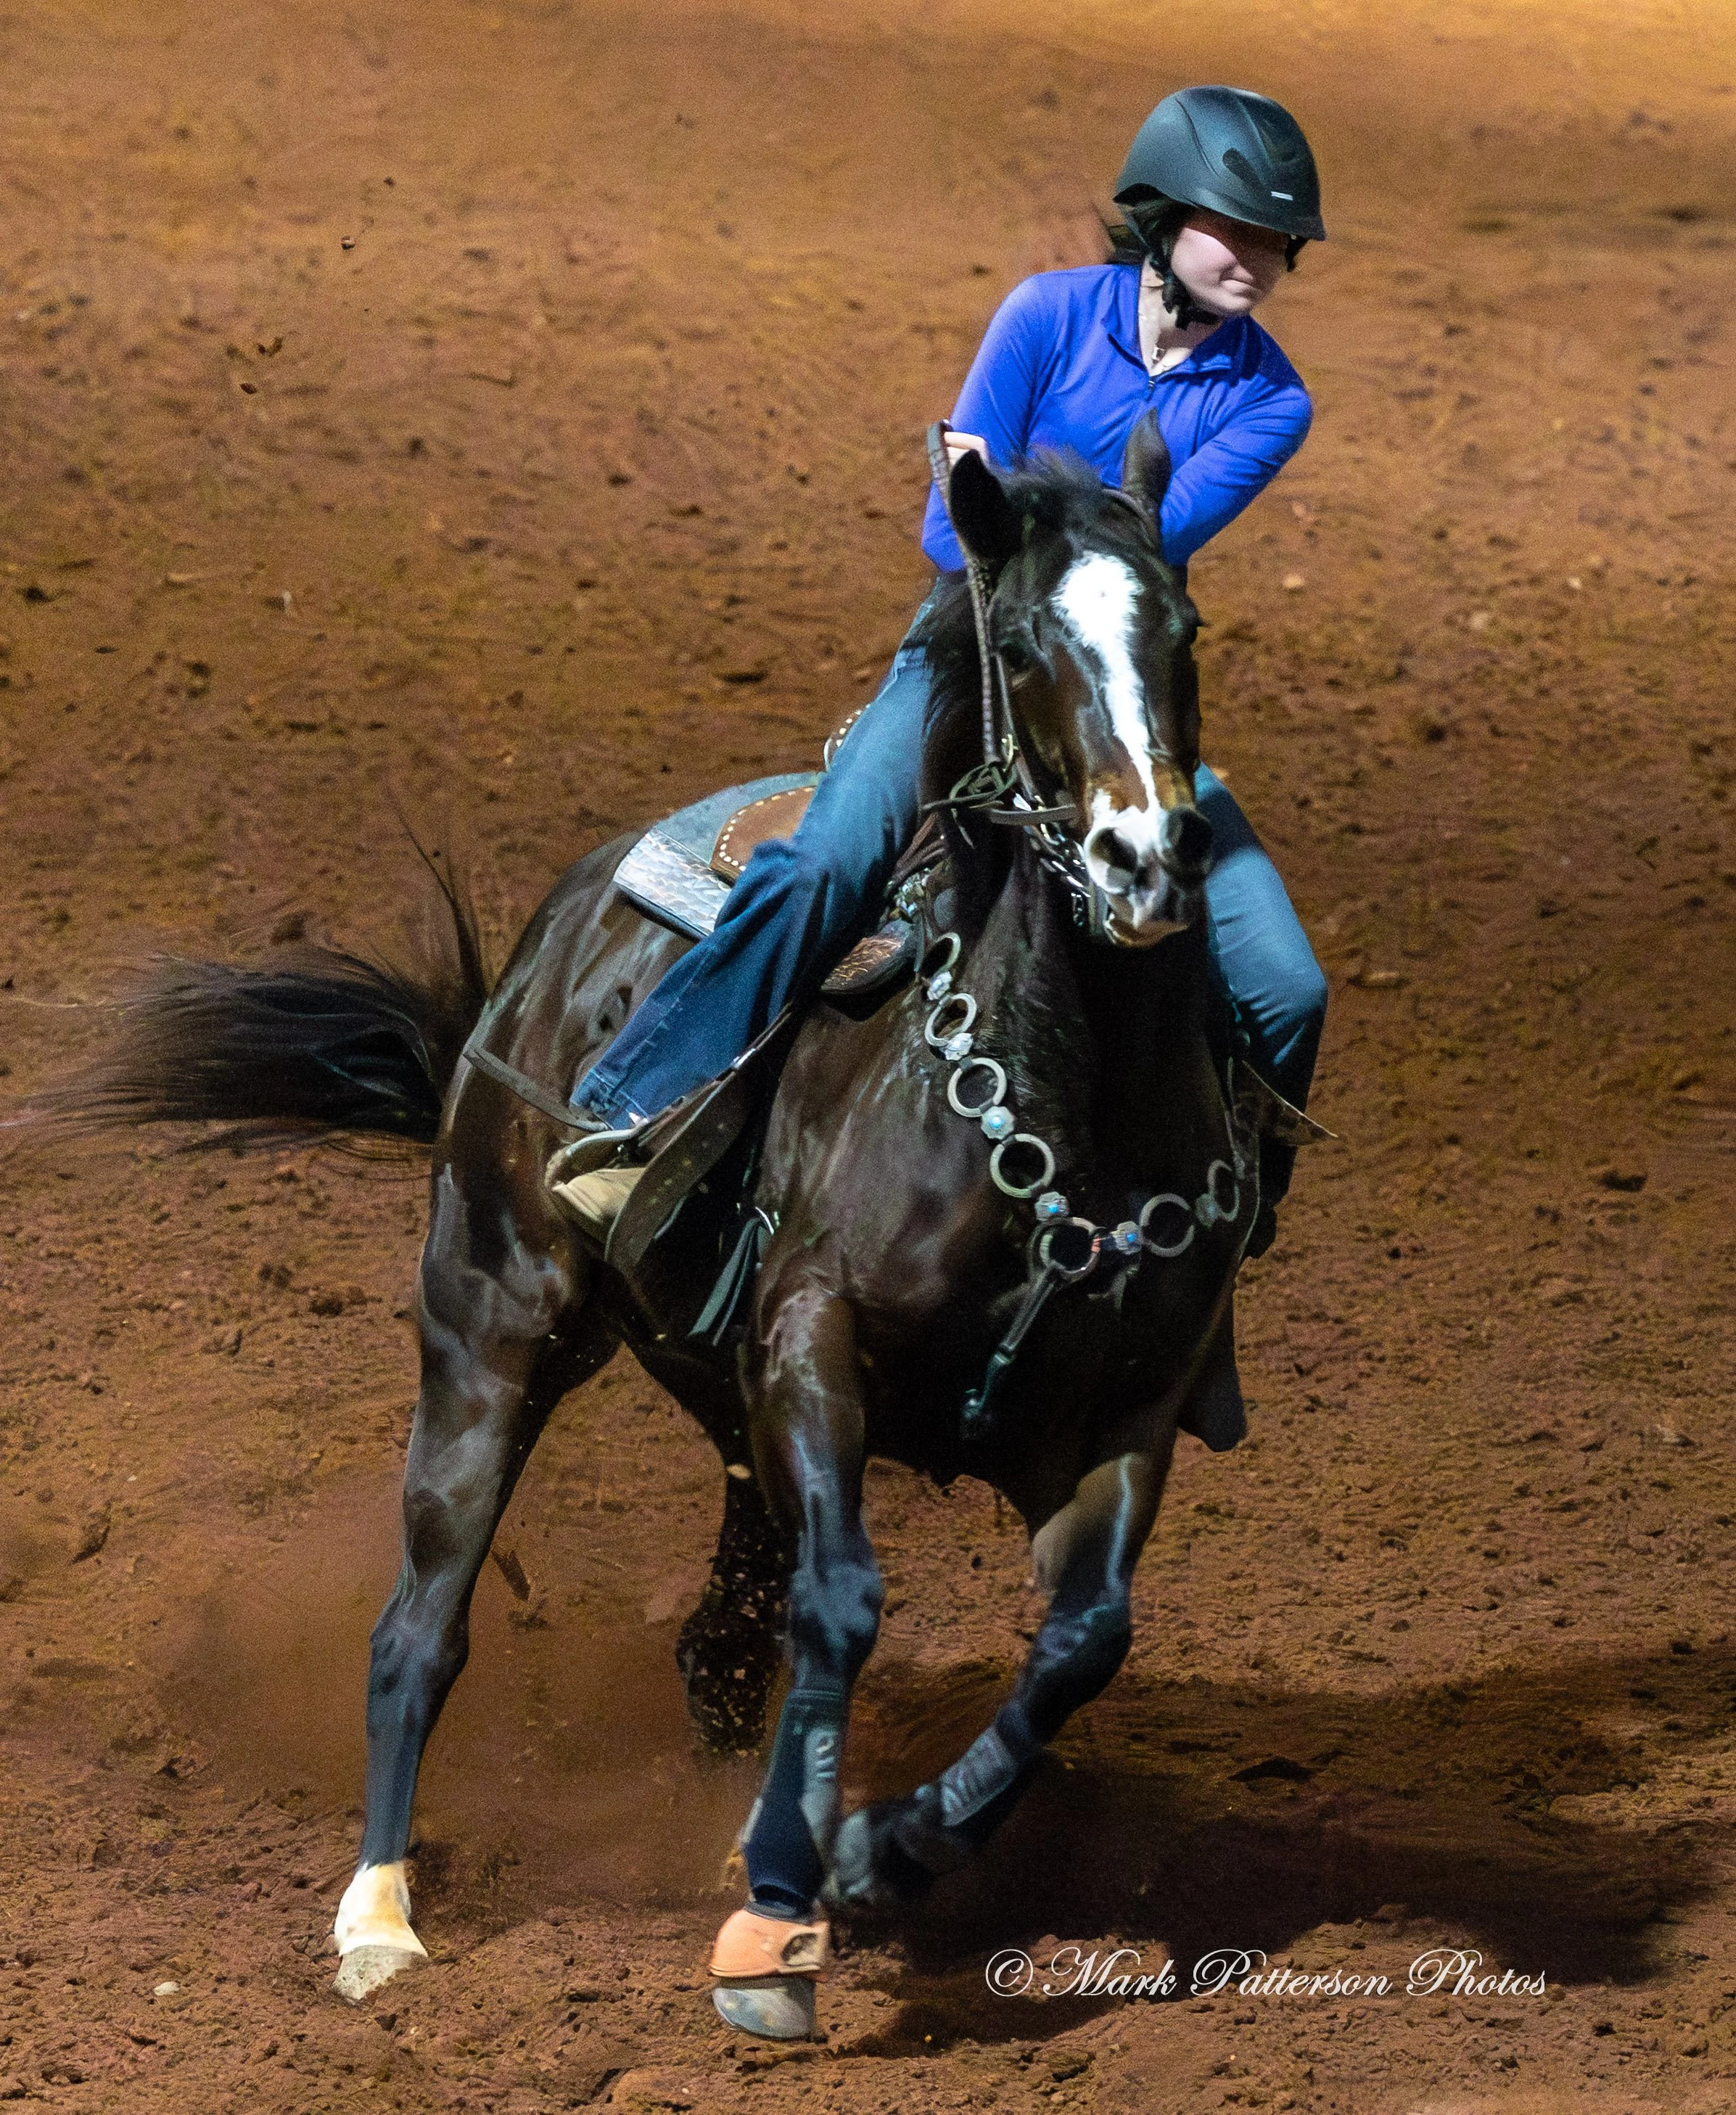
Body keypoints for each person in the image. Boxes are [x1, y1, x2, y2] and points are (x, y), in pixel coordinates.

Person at [555, 85, 1330, 1248]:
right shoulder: (1044, 317)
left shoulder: (1274, 399)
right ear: (1163, 216)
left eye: (1280, 241)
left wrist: (1007, 501)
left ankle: (1230, 1220)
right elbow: (941, 536)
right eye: (1240, 229)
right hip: (960, 659)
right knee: (818, 867)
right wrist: (1025, 522)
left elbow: (1138, 552)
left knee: (1287, 984)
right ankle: (629, 1115)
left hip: (1107, 687)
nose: (1262, 260)